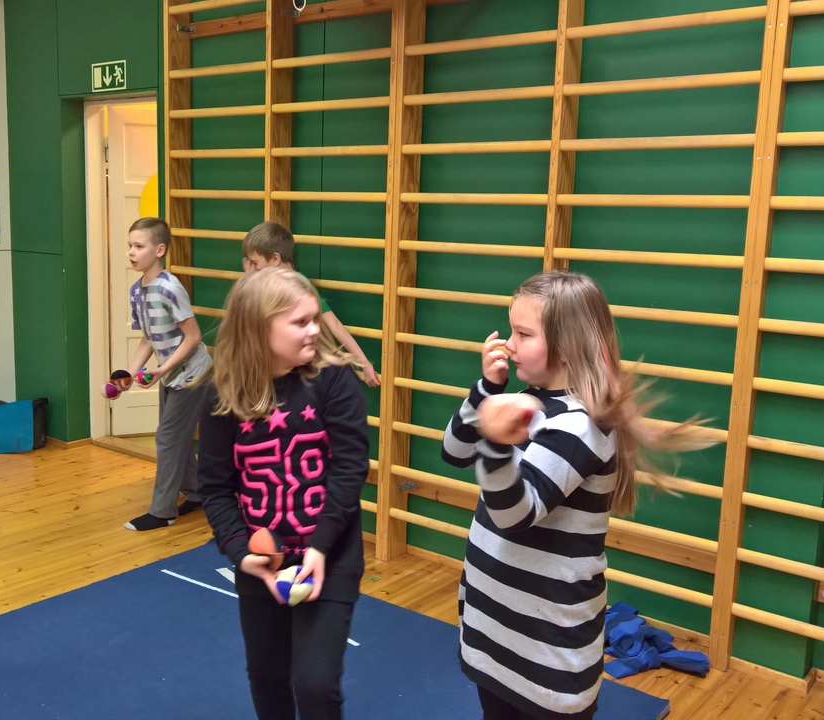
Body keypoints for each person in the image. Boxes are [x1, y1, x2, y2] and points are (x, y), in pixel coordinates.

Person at [441, 270, 708, 720]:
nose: (507, 344)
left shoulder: (580, 424)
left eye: (523, 334)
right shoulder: (530, 402)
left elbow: (514, 513)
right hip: (495, 633)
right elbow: (454, 452)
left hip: (547, 652)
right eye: (511, 330)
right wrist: (486, 390)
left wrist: (497, 442)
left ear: (566, 346)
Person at [198, 266, 370, 720]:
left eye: (315, 318)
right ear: (259, 328)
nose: (315, 330)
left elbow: (350, 468)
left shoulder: (334, 380)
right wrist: (241, 553)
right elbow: (215, 488)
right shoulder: (222, 396)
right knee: (267, 677)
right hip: (263, 563)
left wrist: (320, 547)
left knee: (315, 684)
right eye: (300, 322)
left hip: (329, 555)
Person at [122, 217, 213, 530]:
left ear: (159, 250)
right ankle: (197, 492)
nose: (131, 252)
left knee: (167, 438)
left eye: (139, 246)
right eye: (130, 246)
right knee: (176, 436)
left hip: (192, 375)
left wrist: (161, 369)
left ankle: (162, 512)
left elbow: (193, 336)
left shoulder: (170, 288)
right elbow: (149, 338)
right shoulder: (137, 291)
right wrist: (128, 374)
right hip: (171, 373)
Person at [242, 221, 380, 387]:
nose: (252, 269)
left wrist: (364, 364)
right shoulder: (264, 286)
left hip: (298, 374)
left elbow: (334, 325)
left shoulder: (300, 288)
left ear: (275, 259)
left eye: (255, 263)